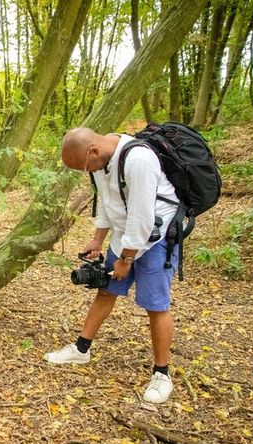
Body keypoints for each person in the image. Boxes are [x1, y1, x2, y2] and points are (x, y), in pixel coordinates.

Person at [44, 127, 180, 403]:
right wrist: (98, 239)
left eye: (84, 167)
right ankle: (82, 349)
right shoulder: (101, 161)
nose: (86, 172)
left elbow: (142, 216)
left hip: (156, 238)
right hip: (125, 235)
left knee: (155, 304)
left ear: (93, 150)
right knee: (105, 291)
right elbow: (107, 202)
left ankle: (162, 374)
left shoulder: (138, 160)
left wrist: (126, 260)